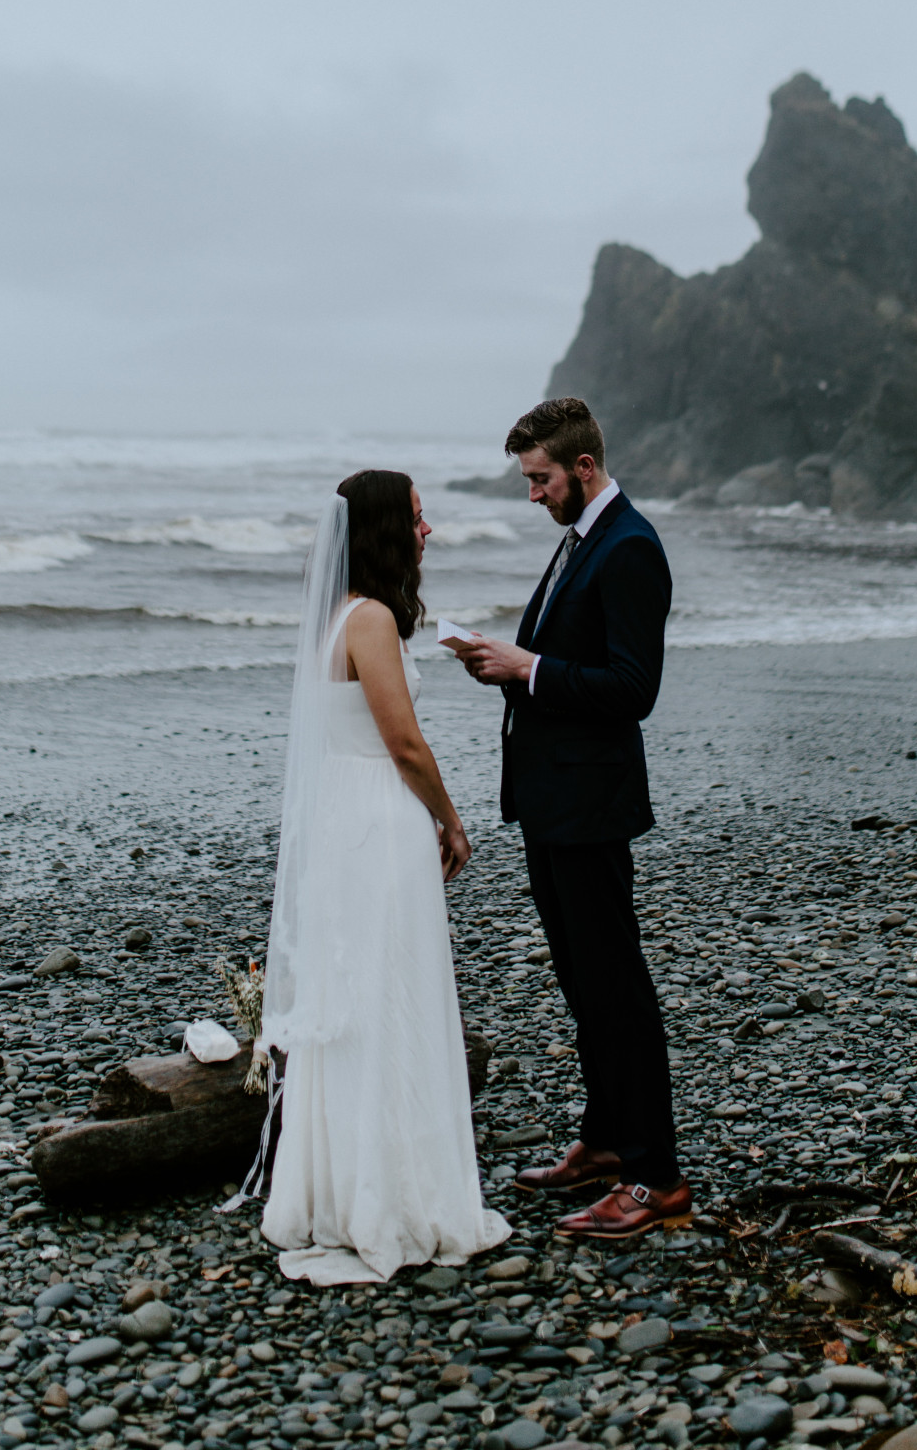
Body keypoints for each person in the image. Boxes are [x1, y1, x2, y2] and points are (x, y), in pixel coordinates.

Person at [257, 468, 510, 1285]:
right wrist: (452, 819)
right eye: (417, 518)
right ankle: (394, 1198)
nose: (428, 531)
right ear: (382, 531)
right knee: (393, 993)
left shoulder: (339, 618)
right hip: (379, 820)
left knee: (356, 997)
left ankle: (341, 1189)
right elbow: (403, 744)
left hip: (344, 820)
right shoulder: (369, 620)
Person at [452, 397, 690, 1241]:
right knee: (582, 983)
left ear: (582, 469)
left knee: (619, 990)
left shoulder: (630, 548)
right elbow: (567, 662)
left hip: (591, 805)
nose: (532, 494)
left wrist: (532, 666)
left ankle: (656, 1180)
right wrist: (510, 669)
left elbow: (634, 690)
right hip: (553, 802)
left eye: (540, 478)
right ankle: (605, 1140)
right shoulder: (582, 536)